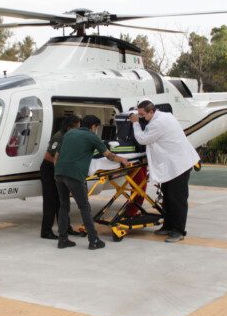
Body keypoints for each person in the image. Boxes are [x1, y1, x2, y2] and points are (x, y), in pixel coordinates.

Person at [54, 115, 129, 250]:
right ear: (94, 126)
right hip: (75, 175)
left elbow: (56, 156)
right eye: (97, 127)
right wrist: (122, 160)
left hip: (59, 173)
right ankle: (93, 240)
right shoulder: (92, 136)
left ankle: (62, 239)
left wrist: (58, 171)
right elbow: (109, 155)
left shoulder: (69, 133)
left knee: (64, 206)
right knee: (84, 207)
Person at [129, 100, 199, 243]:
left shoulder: (158, 123)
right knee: (167, 197)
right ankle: (168, 226)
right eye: (139, 115)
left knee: (177, 199)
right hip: (172, 165)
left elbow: (143, 139)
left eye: (142, 115)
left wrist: (135, 123)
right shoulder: (165, 115)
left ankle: (178, 231)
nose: (141, 117)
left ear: (151, 111)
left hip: (179, 166)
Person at [39, 115, 81, 240]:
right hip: (49, 170)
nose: (79, 129)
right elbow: (48, 156)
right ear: (69, 127)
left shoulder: (70, 136)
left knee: (62, 201)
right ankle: (46, 231)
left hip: (59, 170)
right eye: (77, 127)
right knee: (50, 202)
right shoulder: (59, 136)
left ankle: (66, 228)